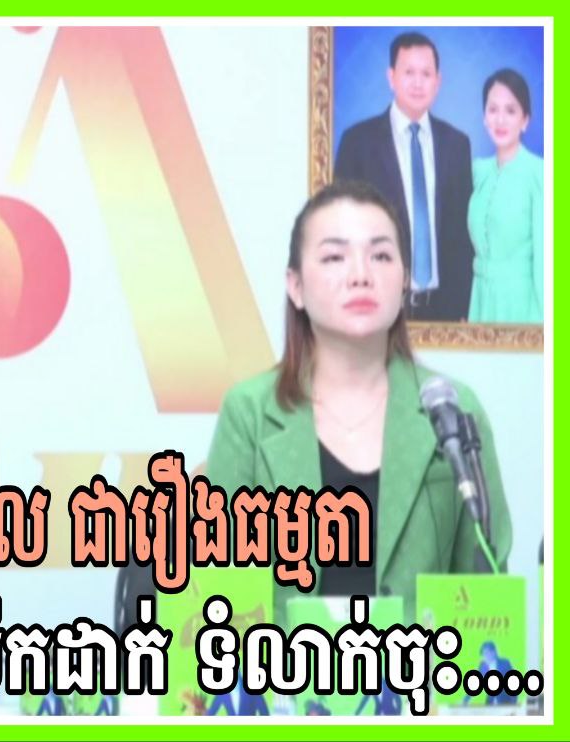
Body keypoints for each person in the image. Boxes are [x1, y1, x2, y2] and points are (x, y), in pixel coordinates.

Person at [204, 180, 512, 625]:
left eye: (381, 256)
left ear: (404, 280)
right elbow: (219, 595)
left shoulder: (452, 408)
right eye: (334, 257)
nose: (361, 274)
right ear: (296, 286)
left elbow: (485, 586)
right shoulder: (249, 413)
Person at [335, 32, 474, 321]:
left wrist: (462, 306)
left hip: (445, 311)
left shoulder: (457, 144)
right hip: (378, 306)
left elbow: (464, 235)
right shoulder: (358, 142)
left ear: (438, 81)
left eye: (426, 73)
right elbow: (341, 226)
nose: (418, 82)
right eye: (408, 72)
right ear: (391, 77)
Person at [467, 68, 544, 324]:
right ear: (484, 117)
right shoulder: (477, 172)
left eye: (510, 111)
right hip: (480, 302)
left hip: (522, 306)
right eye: (493, 109)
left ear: (525, 120)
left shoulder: (540, 174)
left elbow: (547, 260)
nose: (500, 119)